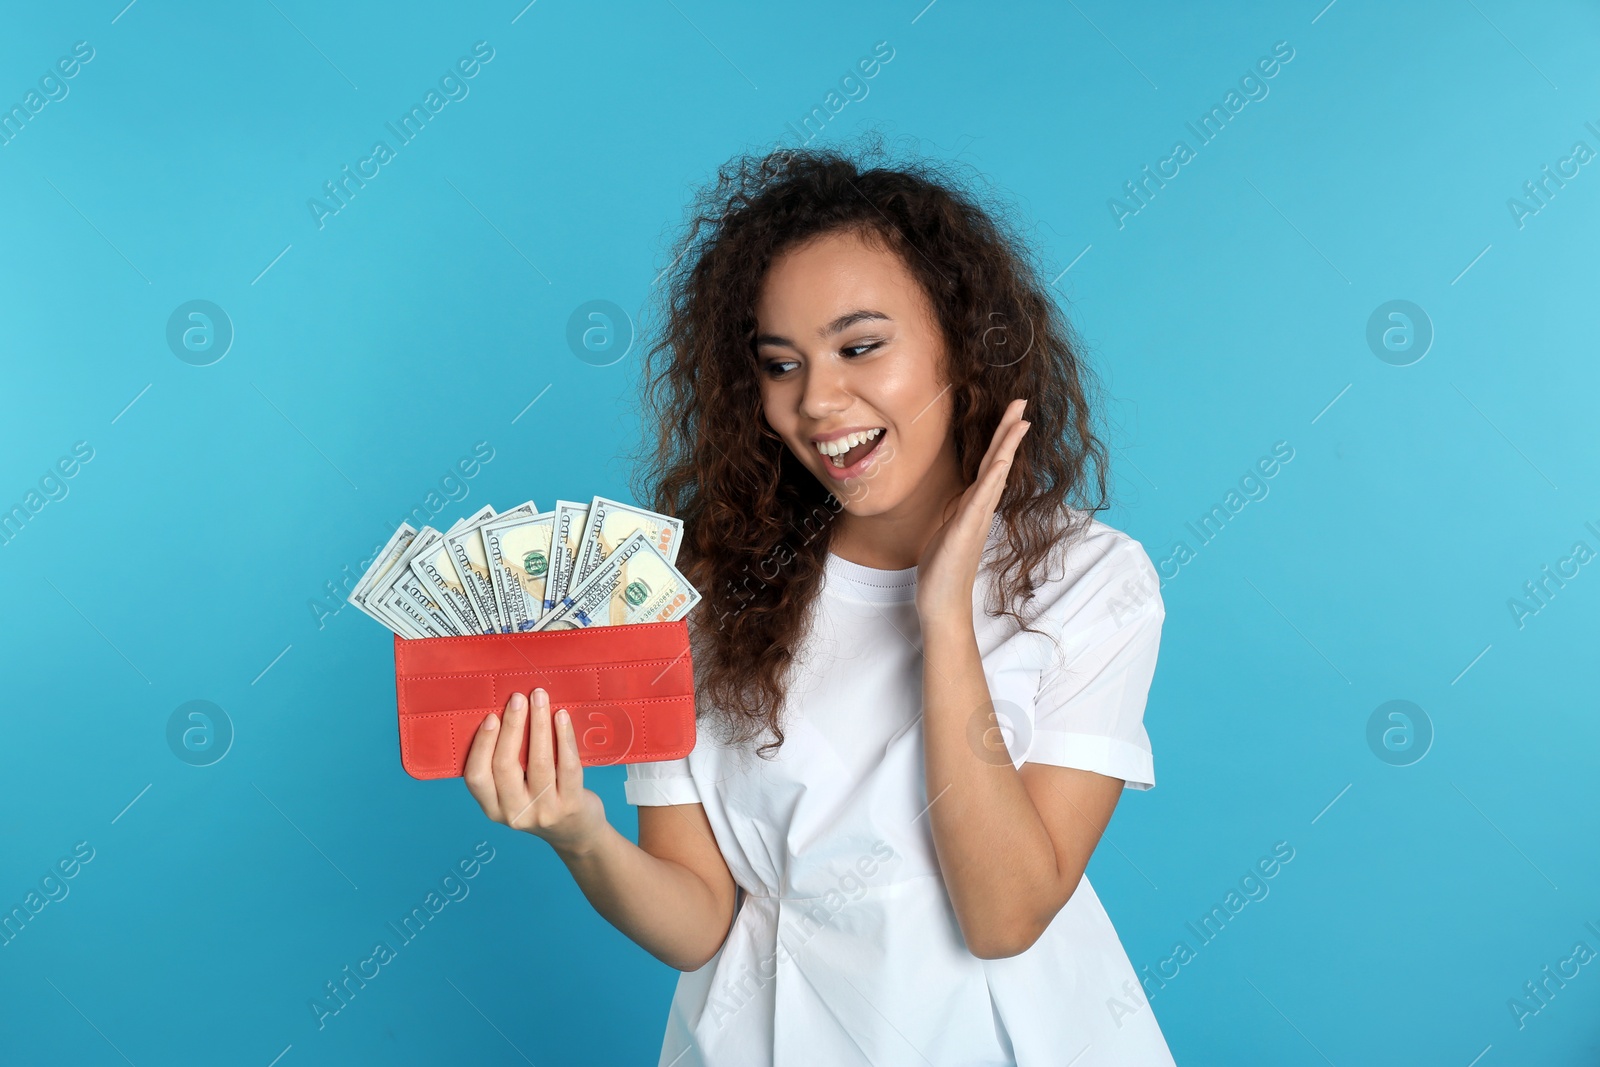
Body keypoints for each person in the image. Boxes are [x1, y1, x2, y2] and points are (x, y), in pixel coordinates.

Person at [462, 136, 1175, 1066]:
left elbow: (1004, 916)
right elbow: (700, 921)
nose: (819, 401)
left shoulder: (1091, 582)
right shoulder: (700, 593)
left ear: (963, 344)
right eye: (781, 363)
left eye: (860, 346)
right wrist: (576, 832)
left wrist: (943, 610)